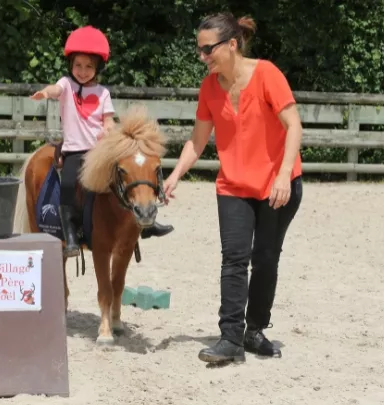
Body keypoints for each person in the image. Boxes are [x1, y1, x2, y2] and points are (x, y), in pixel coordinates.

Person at [162, 12, 304, 363]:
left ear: (232, 44)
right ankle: (230, 339)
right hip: (234, 185)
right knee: (234, 258)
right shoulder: (209, 88)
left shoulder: (267, 74)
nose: (202, 57)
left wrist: (284, 174)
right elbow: (197, 141)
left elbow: (294, 126)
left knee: (266, 259)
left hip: (277, 186)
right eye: (200, 50)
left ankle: (254, 330)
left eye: (208, 49)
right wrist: (175, 173)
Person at [31, 25, 174, 258]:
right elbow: (55, 89)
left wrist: (109, 133)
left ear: (97, 68)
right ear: (71, 66)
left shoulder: (102, 93)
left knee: (134, 174)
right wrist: (45, 93)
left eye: (89, 66)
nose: (83, 71)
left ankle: (147, 221)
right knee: (68, 186)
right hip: (75, 152)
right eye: (78, 65)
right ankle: (70, 238)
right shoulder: (66, 85)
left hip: (99, 152)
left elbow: (108, 121)